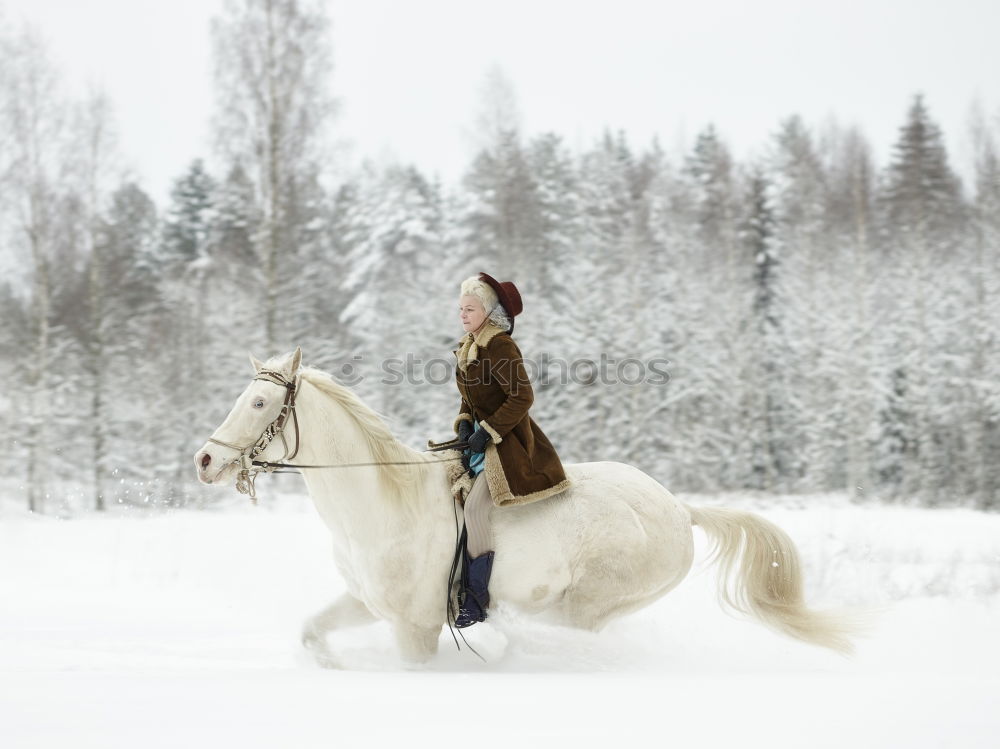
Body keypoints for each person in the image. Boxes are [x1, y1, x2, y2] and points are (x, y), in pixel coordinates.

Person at [451, 272, 572, 628]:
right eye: (460, 308)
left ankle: (475, 600)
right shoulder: (468, 346)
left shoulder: (499, 346)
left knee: (475, 509)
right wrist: (462, 423)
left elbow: (522, 397)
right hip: (477, 441)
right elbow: (467, 399)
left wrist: (487, 432)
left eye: (469, 308)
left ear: (488, 313)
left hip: (508, 445)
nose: (462, 314)